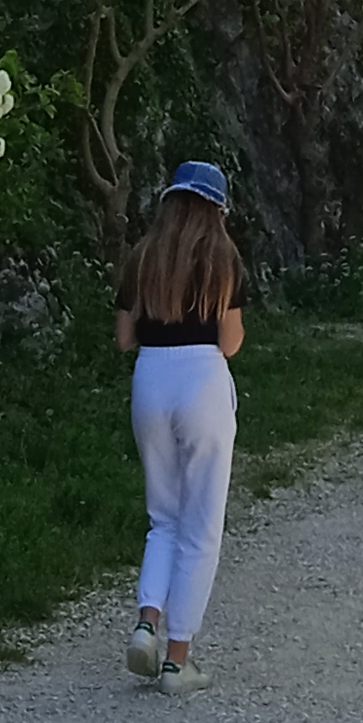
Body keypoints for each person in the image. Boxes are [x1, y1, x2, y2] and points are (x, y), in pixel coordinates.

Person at [115, 160, 245, 687]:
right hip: (202, 380)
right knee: (201, 525)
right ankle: (177, 659)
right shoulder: (224, 258)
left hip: (151, 380)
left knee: (163, 518)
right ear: (217, 209)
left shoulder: (141, 258)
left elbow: (124, 338)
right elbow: (229, 344)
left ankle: (147, 623)